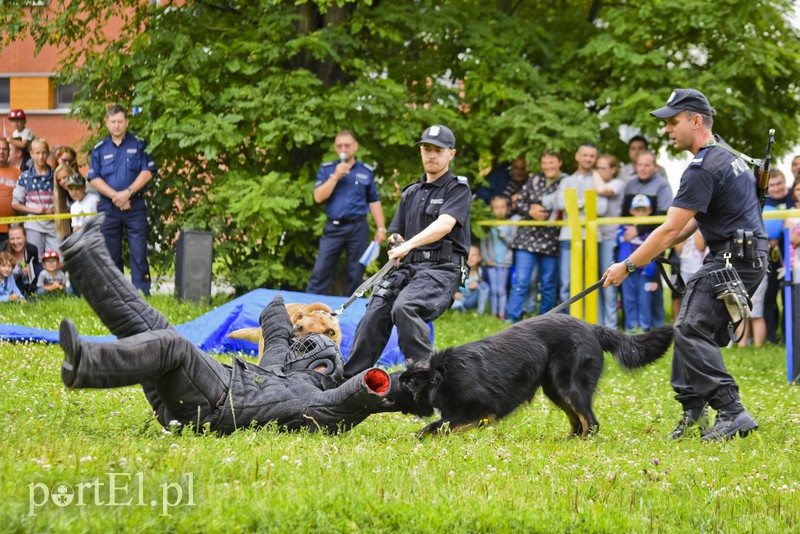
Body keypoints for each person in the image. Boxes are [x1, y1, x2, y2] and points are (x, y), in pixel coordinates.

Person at [57, 213, 390, 434]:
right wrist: (290, 308)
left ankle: (85, 364)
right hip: (198, 396)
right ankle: (83, 254)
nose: (297, 344)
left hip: (214, 404)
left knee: (173, 346)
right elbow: (275, 327)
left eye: (306, 345)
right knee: (158, 329)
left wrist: (376, 384)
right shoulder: (280, 368)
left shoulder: (316, 401)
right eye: (300, 340)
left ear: (325, 368)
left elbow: (352, 396)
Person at [603, 88, 768, 441]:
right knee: (690, 326)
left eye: (673, 121)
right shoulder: (728, 155)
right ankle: (693, 411)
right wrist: (673, 238)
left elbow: (670, 228)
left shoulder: (702, 167)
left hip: (731, 258)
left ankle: (731, 411)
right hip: (746, 256)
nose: (667, 130)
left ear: (696, 120)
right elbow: (691, 223)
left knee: (691, 328)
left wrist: (628, 266)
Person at [342, 125, 471, 378]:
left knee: (405, 308)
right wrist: (398, 241)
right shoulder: (411, 192)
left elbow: (444, 225)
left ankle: (424, 384)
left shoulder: (457, 189)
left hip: (441, 270)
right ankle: (350, 383)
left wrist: (410, 244)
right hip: (408, 269)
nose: (431, 155)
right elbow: (397, 234)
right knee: (375, 311)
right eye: (426, 149)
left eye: (438, 150)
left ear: (451, 154)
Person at [306, 131, 386, 297]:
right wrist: (335, 176)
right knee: (320, 271)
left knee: (356, 274)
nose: (343, 149)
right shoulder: (327, 169)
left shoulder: (366, 171)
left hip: (358, 228)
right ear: (335, 148)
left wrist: (381, 228)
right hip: (333, 228)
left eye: (347, 145)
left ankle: (350, 313)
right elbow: (318, 197)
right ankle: (310, 313)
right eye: (339, 145)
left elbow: (374, 200)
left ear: (355, 146)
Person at [87, 104, 156, 295]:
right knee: (110, 253)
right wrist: (116, 196)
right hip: (109, 208)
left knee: (139, 252)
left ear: (126, 122)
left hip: (135, 206)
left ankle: (141, 292)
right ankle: (115, 294)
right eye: (113, 122)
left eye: (120, 121)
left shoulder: (139, 144)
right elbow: (94, 178)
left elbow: (147, 172)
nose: (117, 125)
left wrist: (128, 193)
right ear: (107, 124)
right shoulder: (99, 149)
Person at [506, 150, 566, 321]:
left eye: (551, 162)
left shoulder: (565, 181)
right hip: (527, 238)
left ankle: (545, 320)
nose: (547, 166)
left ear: (559, 162)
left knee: (548, 284)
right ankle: (511, 317)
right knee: (521, 281)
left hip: (551, 239)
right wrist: (530, 211)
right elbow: (518, 203)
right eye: (545, 162)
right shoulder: (535, 179)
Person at [622, 151, 673, 328]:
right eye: (640, 165)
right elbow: (624, 213)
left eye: (647, 165)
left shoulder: (662, 185)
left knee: (653, 283)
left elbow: (663, 216)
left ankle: (656, 324)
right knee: (631, 284)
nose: (643, 168)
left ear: (655, 166)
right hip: (629, 243)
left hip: (653, 240)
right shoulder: (630, 184)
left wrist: (637, 229)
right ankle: (632, 324)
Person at [556, 143, 608, 309]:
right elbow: (560, 203)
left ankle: (589, 325)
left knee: (591, 283)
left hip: (592, 237)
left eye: (592, 156)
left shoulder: (597, 180)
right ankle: (564, 324)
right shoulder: (566, 180)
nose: (588, 159)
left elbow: (601, 207)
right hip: (568, 236)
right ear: (577, 157)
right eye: (584, 155)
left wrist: (573, 203)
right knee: (566, 282)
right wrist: (586, 202)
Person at [618, 194, 658, 333]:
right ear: (631, 211)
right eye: (638, 210)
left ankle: (644, 329)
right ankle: (631, 328)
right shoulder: (624, 229)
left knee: (644, 301)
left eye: (644, 210)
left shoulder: (654, 231)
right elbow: (620, 248)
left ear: (649, 211)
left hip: (645, 272)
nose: (640, 213)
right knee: (628, 300)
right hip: (627, 272)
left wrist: (653, 275)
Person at [593, 154, 625, 328]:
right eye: (597, 168)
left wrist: (593, 174)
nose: (599, 172)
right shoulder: (597, 180)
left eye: (603, 168)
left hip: (610, 239)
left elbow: (602, 190)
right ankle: (597, 325)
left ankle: (610, 326)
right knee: (596, 283)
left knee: (609, 282)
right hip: (596, 238)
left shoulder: (617, 183)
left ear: (613, 169)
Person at [12, 138, 58, 255]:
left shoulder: (56, 175)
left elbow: (65, 201)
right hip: (33, 226)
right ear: (31, 154)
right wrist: (34, 210)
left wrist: (55, 210)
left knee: (57, 259)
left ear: (48, 153)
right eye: (37, 153)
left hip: (54, 226)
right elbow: (15, 203)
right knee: (34, 260)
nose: (41, 156)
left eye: (44, 152)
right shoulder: (25, 176)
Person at [763, 169, 793, 344]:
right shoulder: (763, 201)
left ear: (784, 181)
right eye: (772, 185)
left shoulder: (793, 198)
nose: (776, 188)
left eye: (779, 183)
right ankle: (771, 336)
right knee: (770, 297)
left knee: (788, 296)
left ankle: (787, 335)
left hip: (789, 257)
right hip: (769, 258)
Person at [480, 195, 515, 319]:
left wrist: (503, 234)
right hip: (491, 263)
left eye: (502, 207)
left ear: (507, 209)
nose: (499, 210)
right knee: (494, 290)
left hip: (504, 263)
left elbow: (512, 243)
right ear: (492, 210)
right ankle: (493, 313)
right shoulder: (489, 225)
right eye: (496, 208)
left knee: (502, 290)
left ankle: (502, 314)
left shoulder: (510, 225)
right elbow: (483, 244)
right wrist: (486, 259)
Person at [0, 225, 41, 296]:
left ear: (25, 237)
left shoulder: (32, 249)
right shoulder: (2, 248)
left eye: (19, 238)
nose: (15, 242)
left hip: (21, 282)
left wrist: (30, 268)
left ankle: (31, 292)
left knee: (40, 268)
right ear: (8, 239)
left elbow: (36, 265)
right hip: (4, 282)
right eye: (12, 239)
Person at [451, 244, 489, 314]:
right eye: (468, 255)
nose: (470, 258)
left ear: (479, 258)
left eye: (473, 255)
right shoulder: (461, 270)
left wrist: (478, 284)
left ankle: (480, 312)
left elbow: (485, 285)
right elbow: (451, 285)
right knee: (454, 303)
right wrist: (454, 294)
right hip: (461, 298)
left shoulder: (482, 271)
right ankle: (461, 308)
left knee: (484, 286)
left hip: (472, 299)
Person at [0, 138, 21, 244]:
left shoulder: (17, 172)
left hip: (12, 228)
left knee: (9, 259)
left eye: (4, 149)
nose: (1, 152)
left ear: (9, 152)